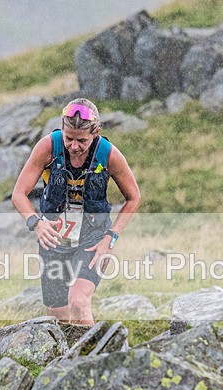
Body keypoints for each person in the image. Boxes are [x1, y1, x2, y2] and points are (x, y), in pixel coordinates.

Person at [12, 98, 141, 325]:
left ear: (96, 132)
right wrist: (36, 223)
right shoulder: (48, 146)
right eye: (69, 138)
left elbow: (134, 198)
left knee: (79, 302)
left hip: (93, 238)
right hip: (54, 238)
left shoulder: (108, 154)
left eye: (82, 140)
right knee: (57, 317)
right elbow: (19, 194)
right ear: (62, 129)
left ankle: (94, 357)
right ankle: (67, 360)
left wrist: (110, 238)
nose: (74, 146)